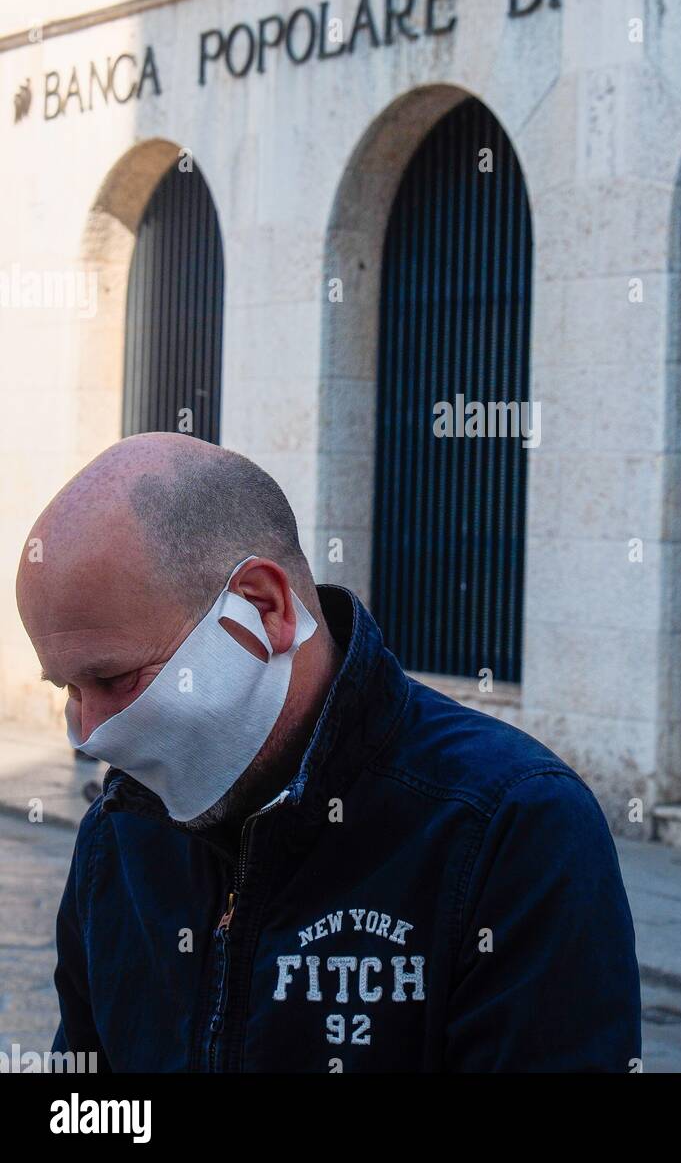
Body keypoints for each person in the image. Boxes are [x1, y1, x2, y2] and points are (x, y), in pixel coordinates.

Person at [16, 432, 642, 1072]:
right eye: (67, 689)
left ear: (262, 609)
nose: (90, 732)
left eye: (116, 680)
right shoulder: (118, 836)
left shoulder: (510, 827)